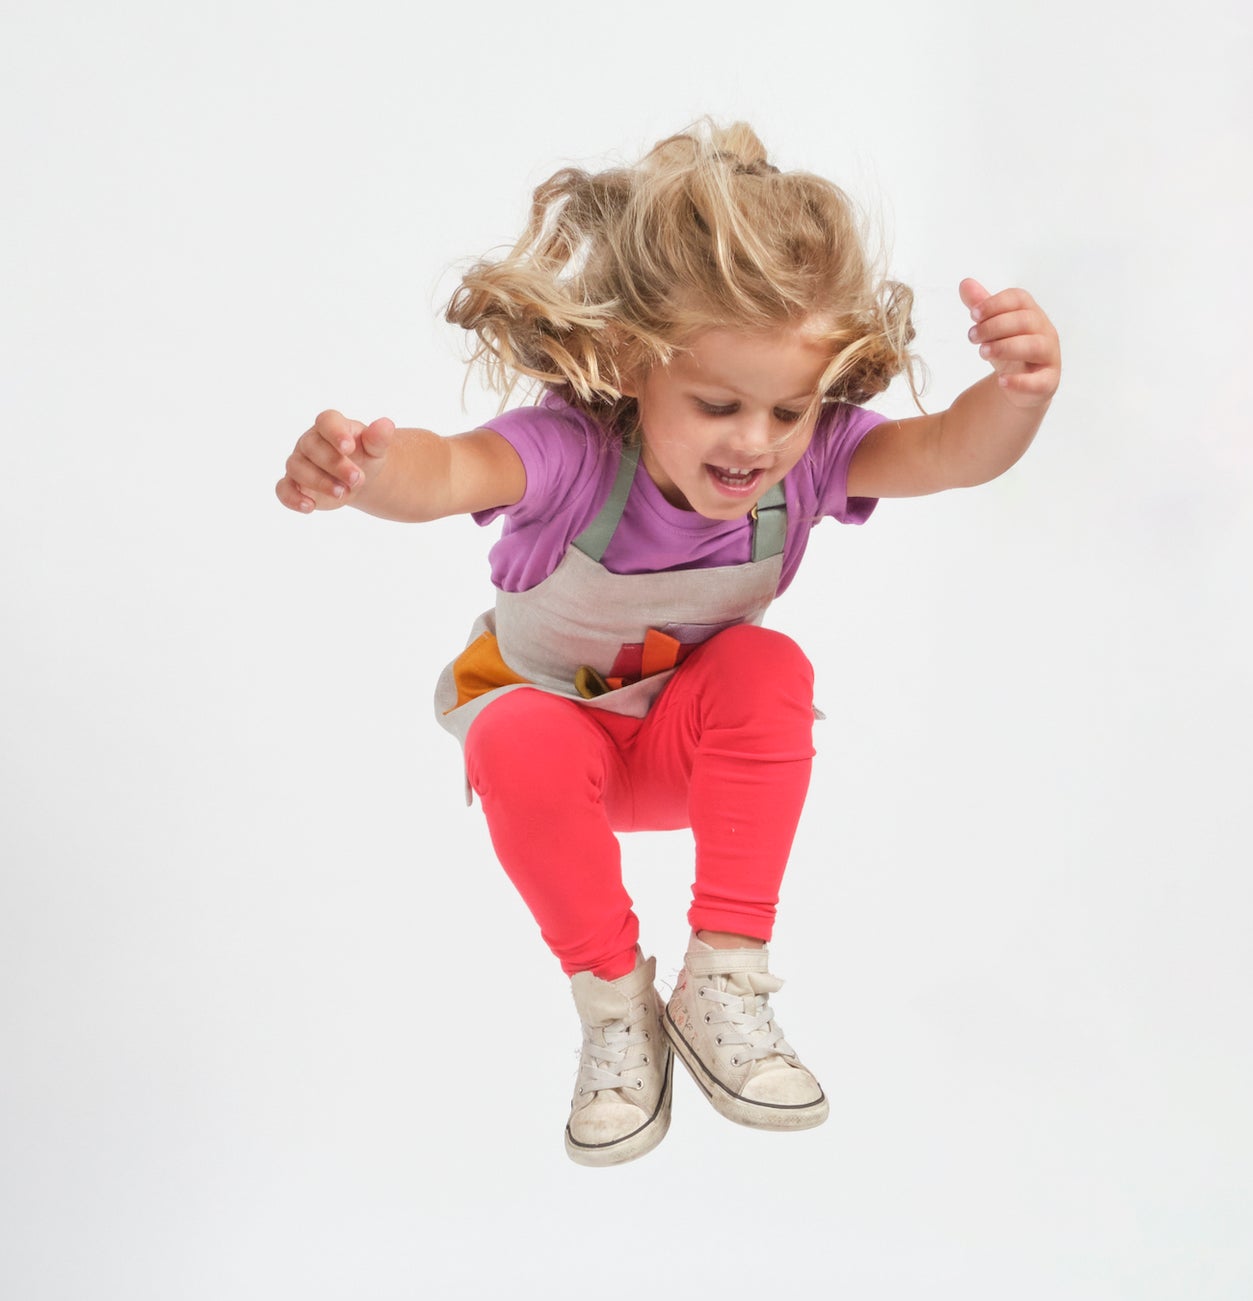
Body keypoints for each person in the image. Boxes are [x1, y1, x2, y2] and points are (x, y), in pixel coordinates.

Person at [276, 120, 1060, 1167]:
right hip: (567, 761)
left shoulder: (806, 463)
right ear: (632, 367)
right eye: (717, 404)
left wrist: (1016, 394)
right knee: (513, 732)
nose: (756, 441)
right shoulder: (571, 455)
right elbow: (451, 469)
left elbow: (950, 455)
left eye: (790, 408)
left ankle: (722, 979)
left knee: (766, 664)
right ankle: (614, 1005)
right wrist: (365, 472)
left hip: (694, 757)